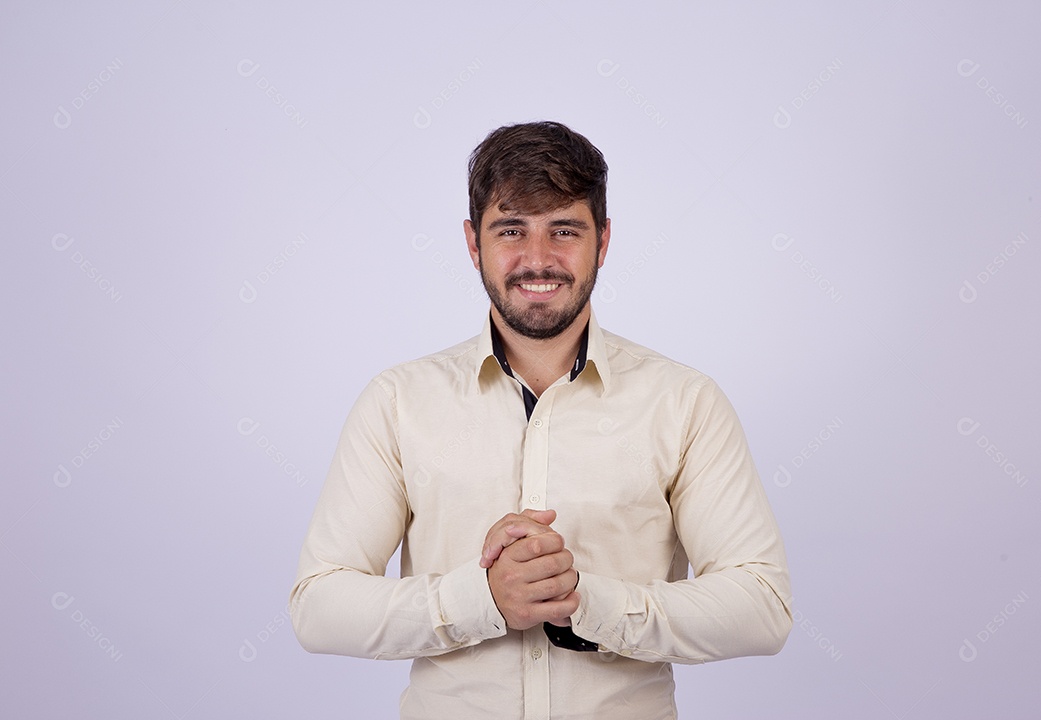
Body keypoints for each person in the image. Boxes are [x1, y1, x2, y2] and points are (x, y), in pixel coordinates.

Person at [290, 121, 792, 720]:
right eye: (511, 230)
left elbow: (762, 607)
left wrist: (588, 602)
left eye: (564, 230)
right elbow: (319, 607)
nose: (538, 259)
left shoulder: (685, 402)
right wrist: (483, 600)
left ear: (602, 243)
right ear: (474, 244)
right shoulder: (397, 401)